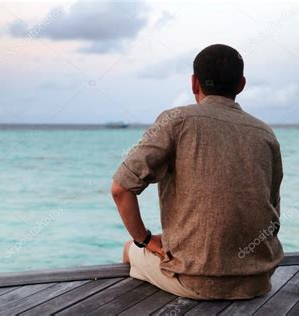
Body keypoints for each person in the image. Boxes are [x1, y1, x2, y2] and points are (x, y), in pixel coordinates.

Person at [111, 44, 284, 300]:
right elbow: (272, 211)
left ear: (194, 83)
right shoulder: (265, 133)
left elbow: (121, 188)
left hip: (193, 281)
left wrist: (145, 240)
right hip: (258, 281)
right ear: (241, 84)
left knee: (129, 249)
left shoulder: (176, 121)